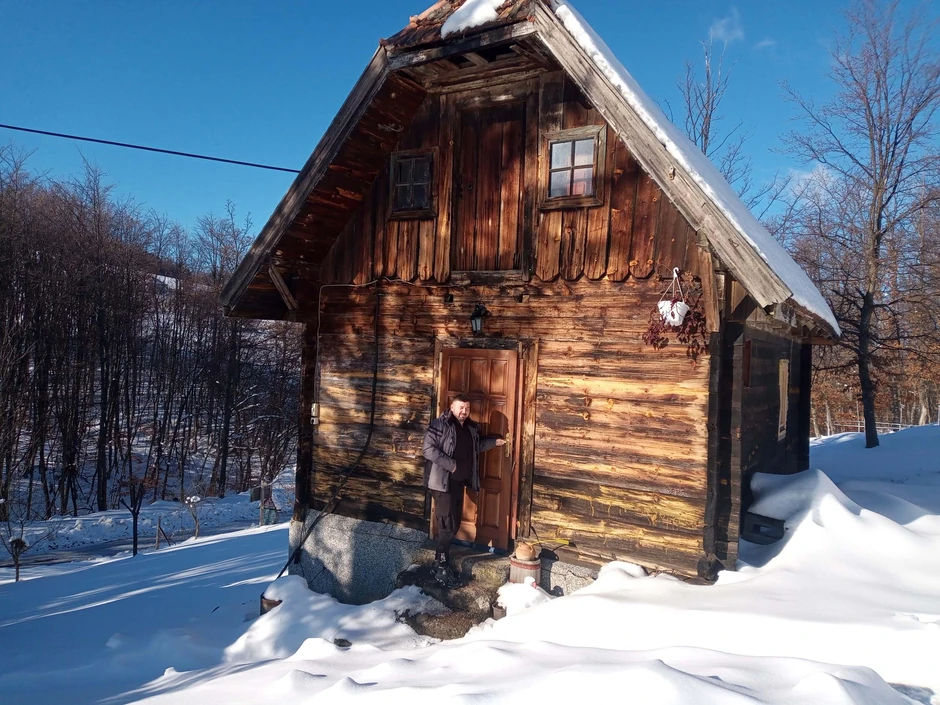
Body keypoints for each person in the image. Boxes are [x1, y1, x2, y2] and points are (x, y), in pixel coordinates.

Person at [423, 394, 506, 588]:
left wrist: (494, 443)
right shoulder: (439, 425)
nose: (464, 411)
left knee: (454, 523)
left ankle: (439, 561)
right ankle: (442, 566)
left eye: (467, 408)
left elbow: (476, 446)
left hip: (458, 484)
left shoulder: (469, 428)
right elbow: (428, 449)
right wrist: (451, 465)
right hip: (441, 483)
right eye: (461, 407)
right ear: (452, 407)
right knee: (446, 525)